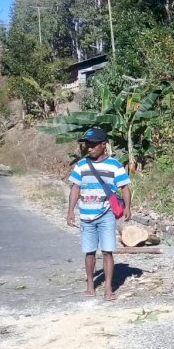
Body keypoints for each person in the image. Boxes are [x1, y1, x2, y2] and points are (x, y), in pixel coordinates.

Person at [66, 127, 132, 301]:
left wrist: (128, 208)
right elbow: (75, 189)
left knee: (108, 252)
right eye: (88, 144)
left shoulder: (115, 166)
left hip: (106, 215)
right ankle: (90, 285)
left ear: (103, 145)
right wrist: (70, 211)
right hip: (86, 216)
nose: (89, 148)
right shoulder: (81, 165)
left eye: (93, 145)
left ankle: (108, 289)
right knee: (89, 252)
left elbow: (125, 188)